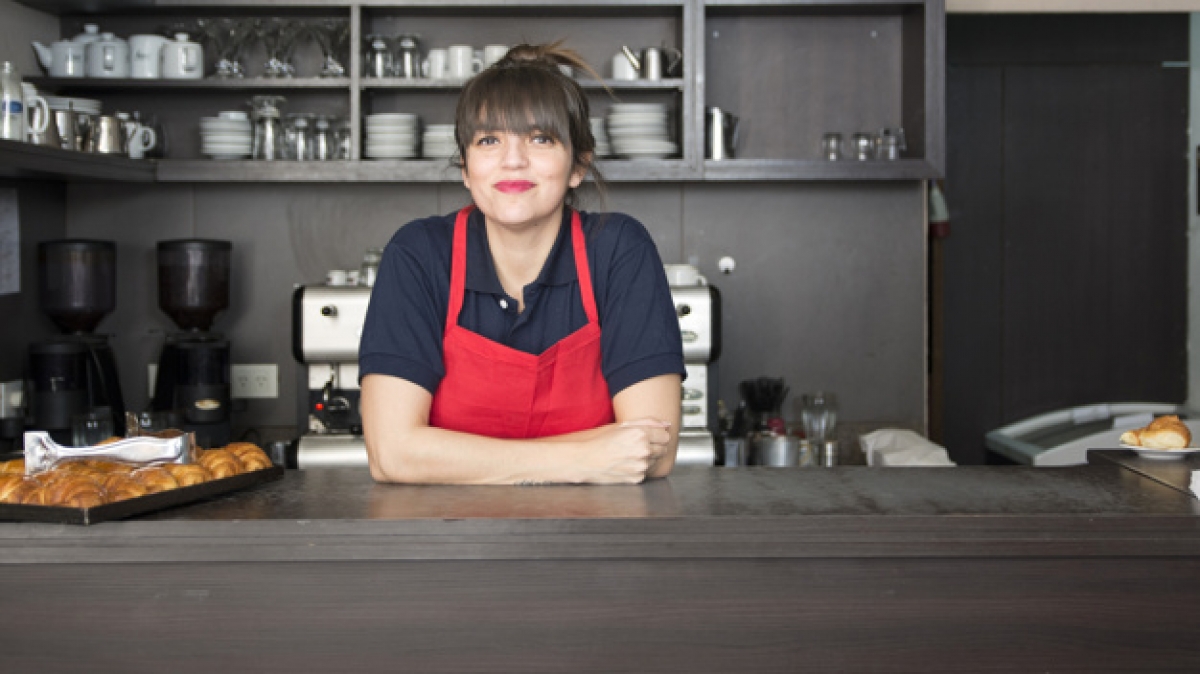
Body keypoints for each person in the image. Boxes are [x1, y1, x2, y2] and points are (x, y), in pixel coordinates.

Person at [359, 43, 685, 485]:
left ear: (577, 167)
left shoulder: (618, 249)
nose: (513, 159)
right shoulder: (419, 254)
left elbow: (652, 453)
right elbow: (392, 454)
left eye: (540, 138)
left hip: (599, 543)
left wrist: (446, 454)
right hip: (445, 543)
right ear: (465, 168)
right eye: (489, 140)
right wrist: (584, 458)